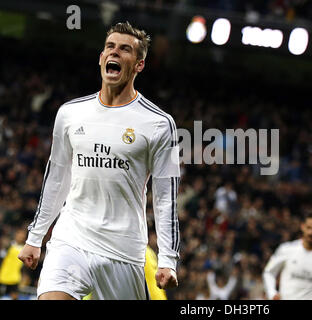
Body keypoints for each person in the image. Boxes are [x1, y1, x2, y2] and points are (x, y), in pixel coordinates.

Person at [17, 21, 181, 300]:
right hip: (71, 239)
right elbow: (56, 178)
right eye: (110, 47)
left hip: (122, 249)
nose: (115, 53)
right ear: (102, 58)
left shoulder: (159, 124)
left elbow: (166, 197)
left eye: (125, 49)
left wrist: (168, 258)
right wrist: (36, 238)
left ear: (139, 65)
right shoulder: (70, 113)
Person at [263, 213, 312, 300]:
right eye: (308, 228)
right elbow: (269, 272)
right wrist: (272, 293)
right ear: (302, 227)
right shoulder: (286, 250)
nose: (311, 232)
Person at [0, 229, 26, 300]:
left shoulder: (24, 249)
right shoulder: (8, 245)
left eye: (22, 235)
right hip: (3, 276)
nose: (21, 237)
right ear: (15, 235)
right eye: (19, 235)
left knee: (15, 297)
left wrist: (24, 276)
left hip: (15, 278)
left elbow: (24, 266)